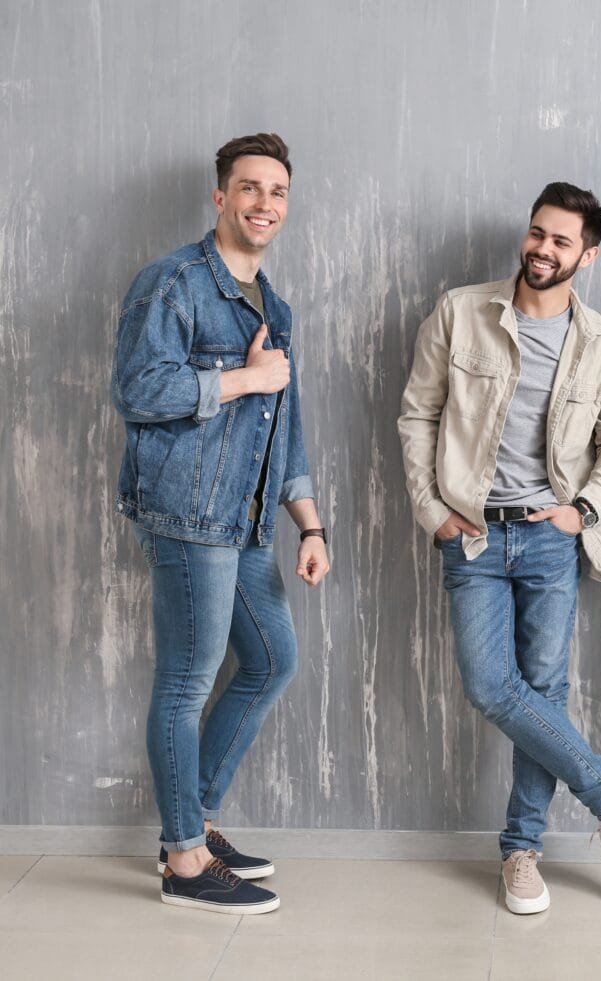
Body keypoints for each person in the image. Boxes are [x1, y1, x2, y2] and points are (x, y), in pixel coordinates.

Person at [398, 182, 601, 914]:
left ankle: (521, 850)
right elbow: (418, 414)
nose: (543, 248)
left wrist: (584, 510)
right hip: (473, 534)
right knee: (491, 685)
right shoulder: (462, 311)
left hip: (548, 538)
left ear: (589, 255)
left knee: (543, 694)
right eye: (538, 233)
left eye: (562, 240)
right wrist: (431, 511)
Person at [112, 133, 329, 914]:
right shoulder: (172, 283)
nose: (263, 203)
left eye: (276, 191)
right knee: (184, 681)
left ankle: (192, 817)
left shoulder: (276, 306)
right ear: (220, 196)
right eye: (248, 187)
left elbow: (287, 423)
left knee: (272, 658)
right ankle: (183, 860)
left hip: (244, 520)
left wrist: (310, 526)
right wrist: (243, 376)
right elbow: (136, 387)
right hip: (184, 511)